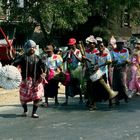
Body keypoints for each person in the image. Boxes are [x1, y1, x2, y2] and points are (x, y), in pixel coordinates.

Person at [13, 40, 47, 118]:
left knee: (37, 96)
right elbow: (14, 64)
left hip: (37, 80)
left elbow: (44, 66)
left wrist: (44, 73)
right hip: (25, 80)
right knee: (23, 98)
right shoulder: (22, 57)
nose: (32, 49)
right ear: (27, 48)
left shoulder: (38, 58)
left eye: (34, 47)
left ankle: (34, 113)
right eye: (30, 47)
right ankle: (25, 111)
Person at [87, 43, 118, 110]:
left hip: (104, 73)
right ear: (97, 47)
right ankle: (93, 105)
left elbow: (109, 62)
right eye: (99, 46)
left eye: (102, 46)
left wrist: (100, 66)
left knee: (107, 87)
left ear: (104, 47)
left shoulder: (107, 54)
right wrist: (95, 66)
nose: (100, 47)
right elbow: (93, 63)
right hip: (97, 73)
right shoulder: (96, 55)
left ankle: (111, 102)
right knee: (94, 89)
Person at [62, 38, 83, 105]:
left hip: (77, 70)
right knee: (67, 85)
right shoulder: (68, 51)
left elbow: (80, 60)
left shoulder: (78, 51)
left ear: (75, 44)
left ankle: (81, 99)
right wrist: (67, 56)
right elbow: (63, 60)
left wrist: (74, 54)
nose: (71, 46)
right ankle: (66, 100)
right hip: (69, 70)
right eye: (70, 45)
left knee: (77, 85)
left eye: (72, 45)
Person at [111, 38, 130, 104]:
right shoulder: (113, 51)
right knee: (115, 84)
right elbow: (111, 60)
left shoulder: (126, 50)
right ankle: (116, 99)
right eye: (119, 44)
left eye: (121, 44)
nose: (120, 45)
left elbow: (127, 60)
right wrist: (113, 62)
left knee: (122, 83)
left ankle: (125, 96)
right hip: (116, 68)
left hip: (123, 68)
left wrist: (122, 64)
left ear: (123, 44)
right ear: (117, 44)